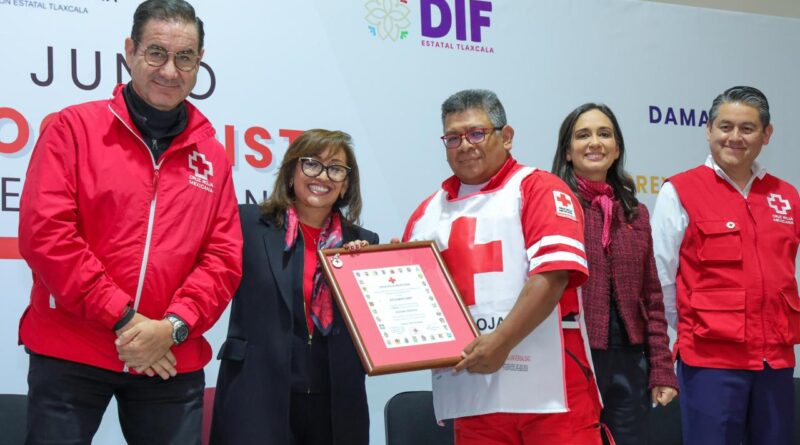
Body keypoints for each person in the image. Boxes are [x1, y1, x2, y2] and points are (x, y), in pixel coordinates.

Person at [16, 1, 243, 443]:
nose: (170, 71)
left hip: (169, 357)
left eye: (185, 57)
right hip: (73, 349)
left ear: (199, 62)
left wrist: (172, 327)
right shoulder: (73, 128)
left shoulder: (212, 157)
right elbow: (47, 235)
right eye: (156, 52)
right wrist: (124, 320)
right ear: (130, 51)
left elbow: (222, 259)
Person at [403, 89, 602, 445]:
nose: (465, 145)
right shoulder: (426, 214)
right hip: (473, 400)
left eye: (476, 133)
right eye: (453, 138)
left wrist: (501, 343)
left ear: (506, 136)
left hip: (552, 395)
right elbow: (410, 300)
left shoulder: (539, 188)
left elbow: (553, 275)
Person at [211, 129, 378, 445]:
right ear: (291, 172)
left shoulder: (363, 243)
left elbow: (373, 325)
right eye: (312, 164)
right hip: (256, 395)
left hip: (335, 403)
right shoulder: (246, 223)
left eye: (335, 169)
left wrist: (382, 271)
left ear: (345, 184)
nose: (323, 176)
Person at [651, 86, 798, 445]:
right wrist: (692, 328)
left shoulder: (786, 196)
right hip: (709, 361)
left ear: (766, 134)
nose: (735, 137)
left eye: (747, 128)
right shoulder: (680, 190)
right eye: (725, 127)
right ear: (708, 130)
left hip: (774, 361)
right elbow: (660, 278)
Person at [551, 103, 678, 444]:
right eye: (583, 135)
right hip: (571, 358)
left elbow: (652, 297)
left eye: (604, 134)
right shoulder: (552, 207)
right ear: (567, 151)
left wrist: (661, 368)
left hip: (629, 362)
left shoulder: (635, 212)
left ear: (617, 148)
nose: (595, 142)